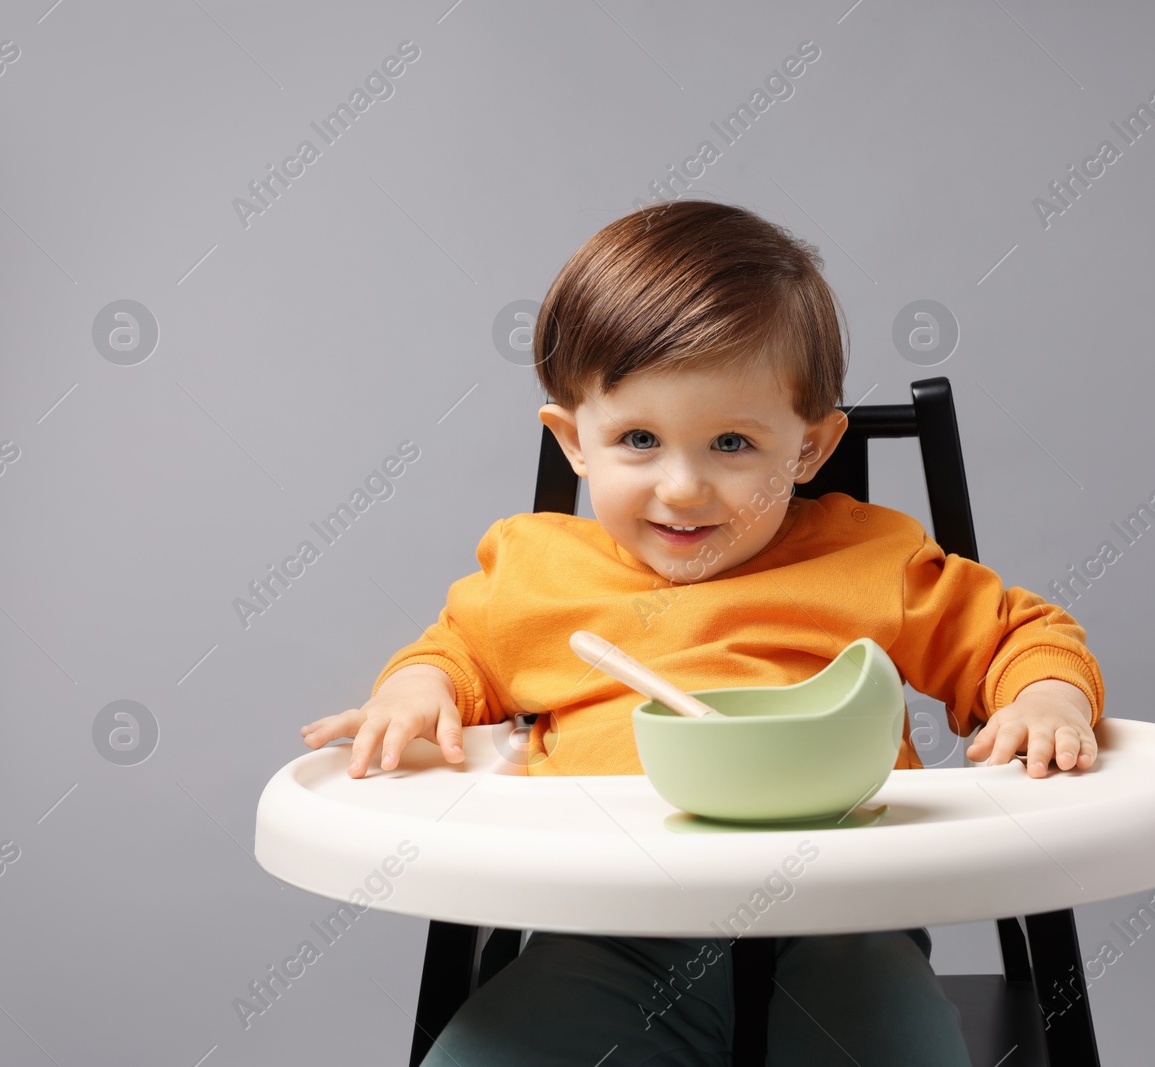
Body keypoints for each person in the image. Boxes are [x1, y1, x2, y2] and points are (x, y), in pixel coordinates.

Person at [299, 199, 1106, 1065]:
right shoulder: (536, 569)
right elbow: (455, 653)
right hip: (611, 929)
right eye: (638, 439)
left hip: (838, 921)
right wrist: (416, 691)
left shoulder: (871, 558)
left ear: (809, 448)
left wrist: (1045, 698)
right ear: (575, 442)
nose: (682, 488)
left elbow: (1016, 633)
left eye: (731, 443)